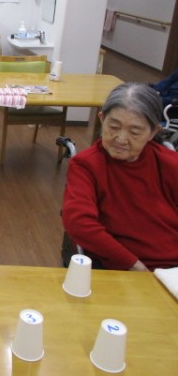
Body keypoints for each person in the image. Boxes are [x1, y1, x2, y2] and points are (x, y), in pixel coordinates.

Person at [62, 82, 178, 271]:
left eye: (134, 132)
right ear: (102, 119)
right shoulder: (86, 165)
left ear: (153, 132)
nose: (121, 139)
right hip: (126, 268)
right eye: (114, 127)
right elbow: (79, 223)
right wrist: (134, 266)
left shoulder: (169, 163)